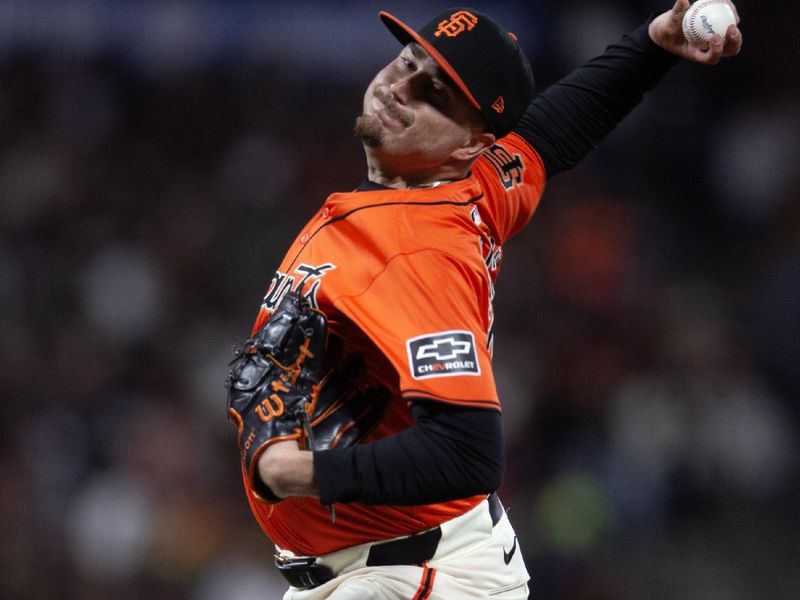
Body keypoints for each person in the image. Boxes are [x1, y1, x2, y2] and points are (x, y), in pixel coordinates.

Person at [232, 2, 742, 598]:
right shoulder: (471, 182)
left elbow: (466, 451)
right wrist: (653, 43)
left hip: (411, 578)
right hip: (387, 566)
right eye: (407, 61)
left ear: (470, 143)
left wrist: (291, 472)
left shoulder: (420, 253)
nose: (401, 88)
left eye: (435, 94)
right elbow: (552, 131)